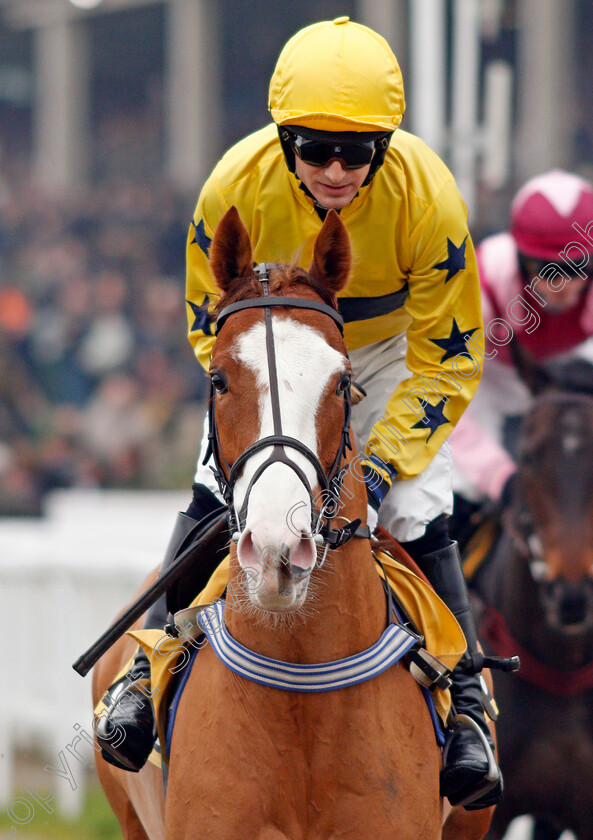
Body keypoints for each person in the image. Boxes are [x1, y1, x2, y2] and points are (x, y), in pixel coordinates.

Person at [97, 17, 502, 809]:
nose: (339, 169)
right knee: (221, 494)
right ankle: (145, 672)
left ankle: (467, 705)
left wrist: (379, 465)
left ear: (388, 146)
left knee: (420, 506)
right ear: (284, 137)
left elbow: (450, 352)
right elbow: (205, 329)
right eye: (317, 148)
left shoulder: (433, 200)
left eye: (360, 152)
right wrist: (262, 431)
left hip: (387, 359)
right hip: (269, 350)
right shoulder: (229, 190)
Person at [449, 169, 593, 542]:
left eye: (578, 269)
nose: (565, 288)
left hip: (568, 369)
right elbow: (448, 397)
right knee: (460, 488)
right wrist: (500, 477)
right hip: (484, 378)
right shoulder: (480, 283)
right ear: (521, 261)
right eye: (549, 272)